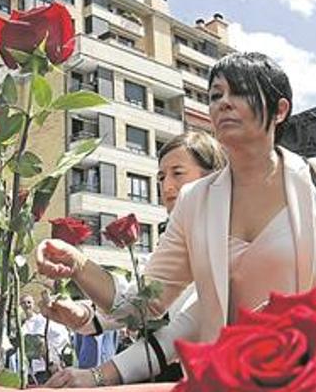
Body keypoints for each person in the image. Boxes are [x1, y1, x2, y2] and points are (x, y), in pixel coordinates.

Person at [39, 52, 316, 386]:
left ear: (280, 109)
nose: (223, 102)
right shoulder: (196, 201)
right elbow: (145, 304)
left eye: (240, 91)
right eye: (216, 94)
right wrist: (79, 264)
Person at [38, 131, 226, 382]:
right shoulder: (176, 240)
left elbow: (181, 326)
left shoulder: (226, 236)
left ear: (213, 176)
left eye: (178, 173)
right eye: (161, 177)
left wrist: (99, 376)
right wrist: (86, 316)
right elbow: (143, 301)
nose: (167, 186)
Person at [20, 294, 70, 385]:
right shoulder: (22, 325)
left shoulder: (41, 320)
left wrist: (53, 359)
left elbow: (58, 336)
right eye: (23, 303)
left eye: (29, 302)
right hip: (31, 370)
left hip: (47, 367)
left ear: (33, 304)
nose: (26, 305)